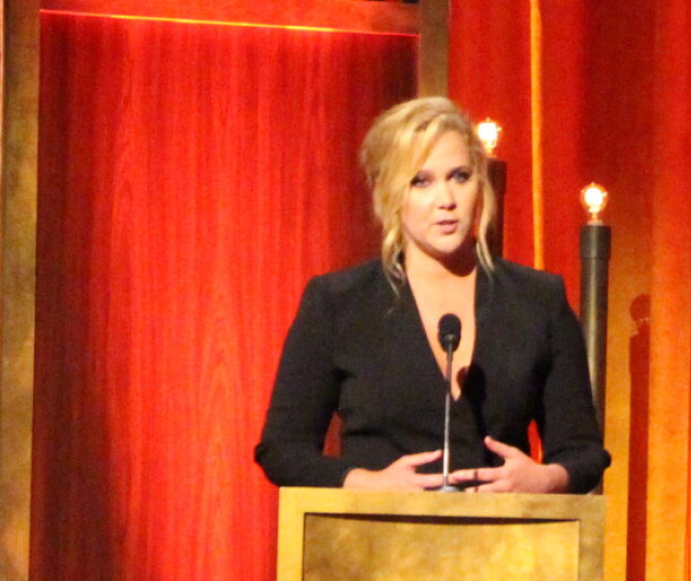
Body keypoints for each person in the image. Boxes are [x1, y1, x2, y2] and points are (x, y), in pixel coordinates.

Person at [254, 97, 609, 494]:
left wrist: (544, 478)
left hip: (505, 548)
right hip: (374, 545)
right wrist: (364, 484)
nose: (447, 201)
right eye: (421, 181)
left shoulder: (537, 301)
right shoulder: (338, 303)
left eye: (460, 176)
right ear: (388, 192)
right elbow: (282, 450)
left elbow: (584, 453)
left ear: (481, 182)